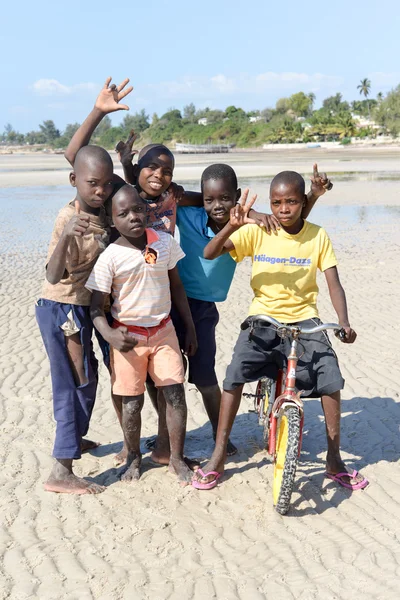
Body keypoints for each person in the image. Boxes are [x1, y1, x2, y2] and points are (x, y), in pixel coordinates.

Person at [193, 171, 368, 491]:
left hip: (306, 320)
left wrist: (343, 322)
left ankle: (334, 459)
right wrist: (233, 225)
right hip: (263, 319)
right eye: (276, 202)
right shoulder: (259, 230)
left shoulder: (318, 236)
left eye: (291, 202)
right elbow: (209, 253)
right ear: (270, 203)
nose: (283, 209)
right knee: (234, 374)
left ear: (304, 202)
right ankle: (218, 455)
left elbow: (333, 283)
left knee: (330, 377)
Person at [152, 162, 333, 464]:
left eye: (225, 199)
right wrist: (237, 209)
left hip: (204, 309)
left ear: (236, 196)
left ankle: (218, 434)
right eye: (210, 200)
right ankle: (164, 441)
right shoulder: (190, 214)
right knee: (166, 376)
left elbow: (291, 228)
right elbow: (174, 196)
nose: (217, 206)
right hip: (172, 299)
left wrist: (311, 196)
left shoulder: (248, 228)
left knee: (205, 375)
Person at [86, 185, 198, 484]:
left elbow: (177, 287)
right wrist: (109, 335)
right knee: (132, 403)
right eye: (123, 213)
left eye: (138, 209)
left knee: (175, 394)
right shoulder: (110, 257)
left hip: (164, 332)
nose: (133, 216)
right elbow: (96, 308)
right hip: (128, 338)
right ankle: (134, 457)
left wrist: (189, 328)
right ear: (113, 221)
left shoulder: (163, 242)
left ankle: (175, 457)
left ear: (147, 211)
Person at [36, 145, 114, 495]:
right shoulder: (66, 217)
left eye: (106, 184)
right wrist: (68, 234)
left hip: (83, 308)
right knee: (74, 381)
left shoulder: (103, 215)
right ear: (74, 180)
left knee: (89, 375)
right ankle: (61, 469)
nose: (100, 191)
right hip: (62, 307)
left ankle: (74, 440)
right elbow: (53, 275)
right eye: (93, 183)